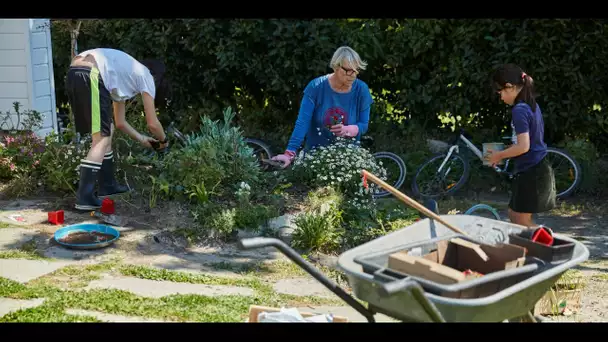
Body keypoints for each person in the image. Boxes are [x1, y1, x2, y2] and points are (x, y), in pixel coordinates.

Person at [65, 48, 170, 210]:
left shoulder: (124, 74)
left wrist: (142, 139)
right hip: (91, 72)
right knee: (102, 138)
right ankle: (84, 197)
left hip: (77, 72)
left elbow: (120, 122)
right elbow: (152, 123)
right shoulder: (146, 76)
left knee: (110, 128)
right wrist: (164, 141)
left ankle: (107, 186)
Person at [271, 46, 374, 168]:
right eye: (348, 70)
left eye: (356, 70)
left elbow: (363, 125)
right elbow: (303, 122)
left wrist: (348, 130)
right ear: (336, 67)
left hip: (347, 158)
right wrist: (289, 153)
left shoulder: (361, 90)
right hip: (315, 157)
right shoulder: (316, 87)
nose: (353, 75)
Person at [486, 63, 556, 228]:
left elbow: (524, 147)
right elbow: (526, 141)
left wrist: (498, 155)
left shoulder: (519, 110)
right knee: (514, 215)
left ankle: (547, 247)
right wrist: (507, 149)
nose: (501, 97)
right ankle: (538, 246)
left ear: (509, 87)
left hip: (533, 171)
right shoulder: (530, 104)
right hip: (532, 168)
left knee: (520, 221)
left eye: (500, 92)